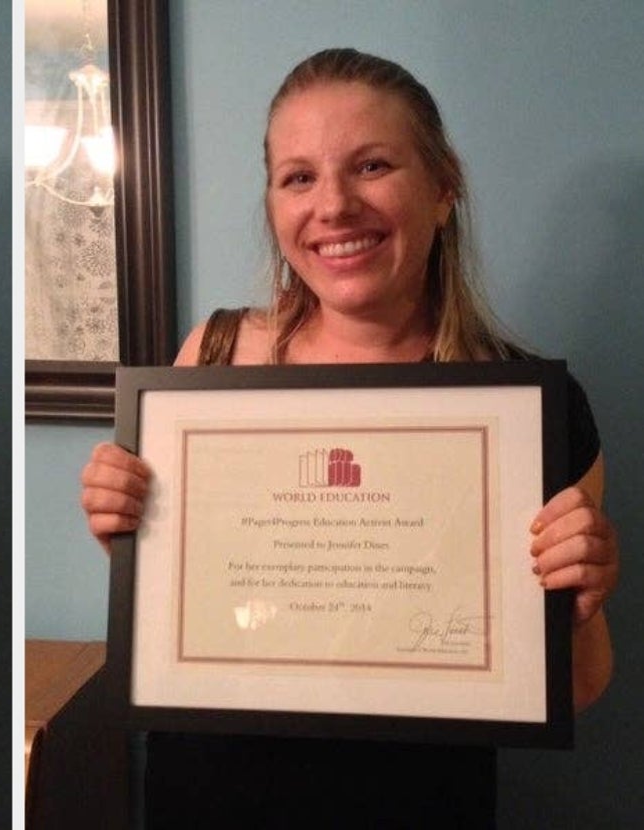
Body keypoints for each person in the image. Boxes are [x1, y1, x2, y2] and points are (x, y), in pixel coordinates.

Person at [80, 47, 616, 828]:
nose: (332, 206)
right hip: (205, 797)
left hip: (419, 806)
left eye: (370, 166)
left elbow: (575, 685)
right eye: (298, 177)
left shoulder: (530, 411)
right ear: (272, 204)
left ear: (442, 188)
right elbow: (192, 606)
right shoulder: (214, 359)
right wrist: (126, 536)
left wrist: (583, 596)